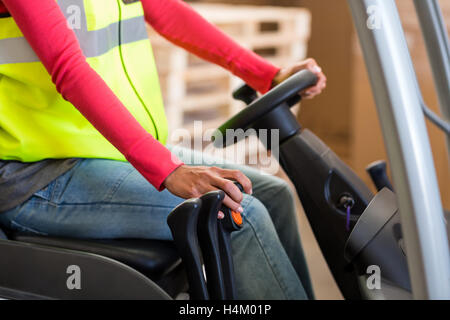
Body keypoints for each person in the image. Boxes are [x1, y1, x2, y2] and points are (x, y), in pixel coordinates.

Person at [0, 0, 326, 299]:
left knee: (274, 195)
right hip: (40, 176)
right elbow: (69, 69)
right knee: (240, 214)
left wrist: (266, 75)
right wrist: (167, 169)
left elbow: (169, 13)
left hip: (100, 152)